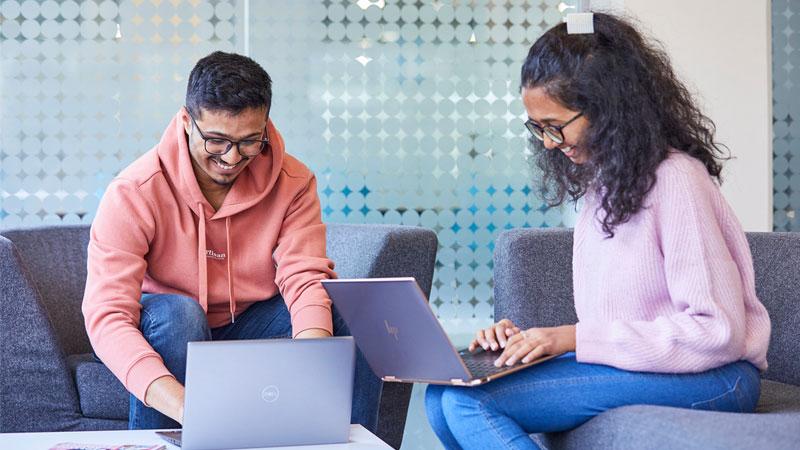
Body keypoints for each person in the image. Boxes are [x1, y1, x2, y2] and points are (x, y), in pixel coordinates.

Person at [425, 13, 771, 450]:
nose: (549, 142)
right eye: (539, 128)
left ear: (608, 108)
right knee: (442, 397)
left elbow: (716, 332)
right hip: (649, 367)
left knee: (467, 403)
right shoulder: (604, 185)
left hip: (715, 375)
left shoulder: (677, 179)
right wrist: (526, 339)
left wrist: (572, 337)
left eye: (556, 126)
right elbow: (624, 321)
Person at [82, 51, 380, 430]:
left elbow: (304, 279)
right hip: (170, 325)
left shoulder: (294, 181)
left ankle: (347, 441)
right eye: (216, 140)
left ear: (266, 127)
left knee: (352, 309)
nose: (231, 157)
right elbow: (107, 315)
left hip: (251, 322)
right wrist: (189, 408)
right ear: (187, 121)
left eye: (249, 142)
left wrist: (315, 364)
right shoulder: (134, 192)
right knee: (180, 315)